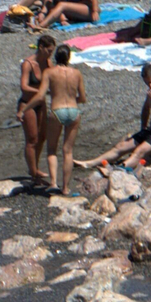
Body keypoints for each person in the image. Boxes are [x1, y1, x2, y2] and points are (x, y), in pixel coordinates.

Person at [77, 65, 151, 171]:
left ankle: (117, 169)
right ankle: (90, 163)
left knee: (139, 151)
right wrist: (143, 128)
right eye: (147, 83)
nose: (149, 85)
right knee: (121, 146)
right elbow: (145, 110)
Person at [26, 45, 86, 194]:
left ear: (55, 57)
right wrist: (71, 100)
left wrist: (24, 109)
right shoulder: (76, 73)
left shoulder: (49, 72)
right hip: (73, 111)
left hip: (57, 110)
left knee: (52, 149)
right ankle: (65, 188)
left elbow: (40, 96)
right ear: (69, 58)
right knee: (68, 151)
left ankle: (53, 182)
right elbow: (83, 98)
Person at [18, 34, 57, 187]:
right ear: (40, 48)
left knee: (42, 137)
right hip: (27, 103)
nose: (50, 54)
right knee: (32, 139)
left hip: (40, 103)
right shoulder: (28, 64)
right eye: (48, 50)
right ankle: (33, 172)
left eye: (52, 51)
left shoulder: (48, 63)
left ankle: (35, 167)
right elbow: (24, 86)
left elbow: (53, 78)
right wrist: (40, 92)